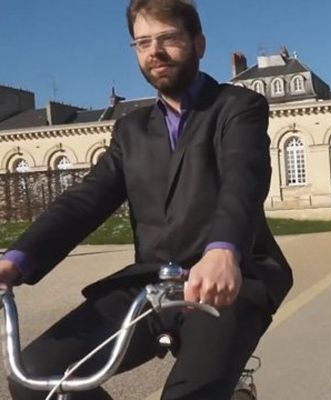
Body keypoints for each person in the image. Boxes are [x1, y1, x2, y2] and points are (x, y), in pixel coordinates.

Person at [0, 1, 293, 399]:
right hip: (152, 284)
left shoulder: (237, 107)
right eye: (142, 42)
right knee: (36, 378)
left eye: (168, 38)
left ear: (198, 43)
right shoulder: (131, 130)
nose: (154, 51)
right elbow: (84, 201)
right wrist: (15, 260)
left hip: (228, 284)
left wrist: (223, 250)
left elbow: (243, 179)